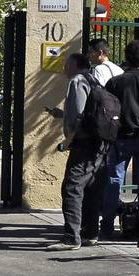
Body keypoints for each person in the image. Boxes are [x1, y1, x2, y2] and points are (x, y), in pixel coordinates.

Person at [47, 53, 110, 251]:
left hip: (83, 143)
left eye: (66, 65)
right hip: (99, 142)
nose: (64, 69)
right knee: (91, 187)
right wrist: (62, 115)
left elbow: (78, 118)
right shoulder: (94, 80)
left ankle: (71, 237)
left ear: (74, 65)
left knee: (72, 187)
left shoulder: (76, 81)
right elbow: (88, 113)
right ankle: (90, 232)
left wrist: (67, 142)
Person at [100, 40, 139, 240]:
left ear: (127, 59)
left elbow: (106, 110)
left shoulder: (115, 82)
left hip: (119, 137)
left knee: (113, 182)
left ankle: (107, 226)